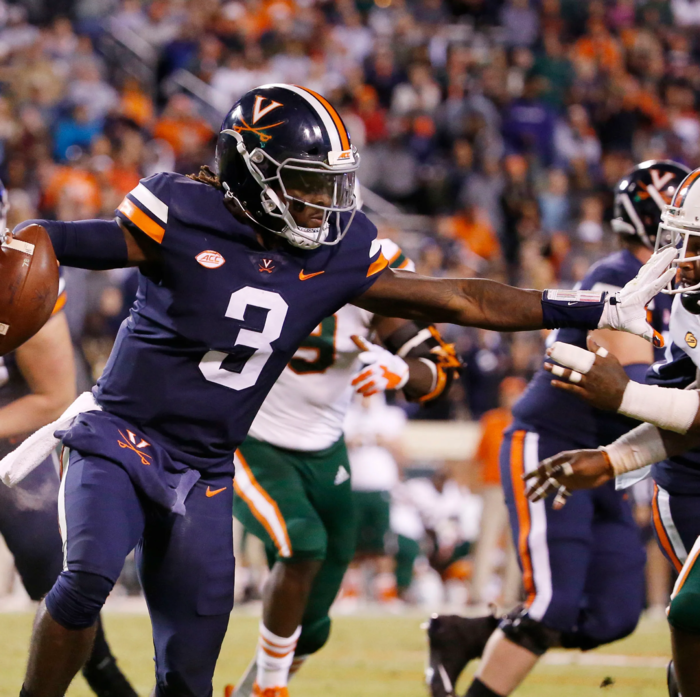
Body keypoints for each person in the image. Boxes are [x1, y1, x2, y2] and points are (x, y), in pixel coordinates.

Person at [0, 85, 672, 697]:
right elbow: (48, 241)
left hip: (205, 465)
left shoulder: (339, 251)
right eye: (305, 184)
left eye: (330, 185)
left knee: (189, 674)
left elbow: (464, 298)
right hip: (122, 432)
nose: (323, 203)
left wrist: (592, 306)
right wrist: (17, 263)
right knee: (86, 579)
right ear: (252, 173)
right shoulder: (179, 212)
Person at [425, 160, 689, 697]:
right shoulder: (621, 276)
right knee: (552, 602)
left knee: (615, 612)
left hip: (609, 457)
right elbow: (637, 386)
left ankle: (467, 633)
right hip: (554, 443)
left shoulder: (684, 286)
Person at [229, 237, 459, 696]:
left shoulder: (368, 262)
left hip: (326, 451)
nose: (319, 210)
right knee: (303, 541)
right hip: (248, 438)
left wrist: (402, 370)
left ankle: (252, 688)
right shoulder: (244, 250)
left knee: (313, 629)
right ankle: (270, 689)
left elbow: (440, 368)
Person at [522, 166, 700, 697]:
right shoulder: (689, 305)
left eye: (695, 245)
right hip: (685, 479)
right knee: (690, 610)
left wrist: (625, 396)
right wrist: (612, 458)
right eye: (682, 241)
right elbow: (689, 418)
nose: (681, 259)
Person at [0, 181, 137, 697]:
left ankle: (107, 677)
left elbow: (53, 395)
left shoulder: (18, 275)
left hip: (8, 430)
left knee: (49, 558)